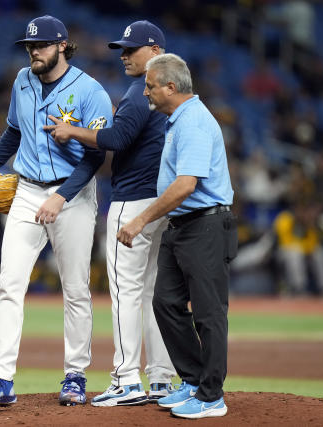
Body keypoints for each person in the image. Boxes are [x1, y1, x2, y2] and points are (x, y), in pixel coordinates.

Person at [0, 15, 112, 407]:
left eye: (43, 45)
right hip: (28, 191)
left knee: (76, 289)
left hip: (75, 194)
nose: (35, 51)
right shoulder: (22, 80)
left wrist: (62, 197)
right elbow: (15, 131)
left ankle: (75, 376)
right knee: (10, 283)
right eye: (30, 46)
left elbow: (96, 155)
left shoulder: (90, 92)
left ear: (63, 46)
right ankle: (0, 379)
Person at [43, 20, 176, 406]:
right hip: (162, 204)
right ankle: (162, 380)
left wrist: (73, 130)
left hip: (133, 201)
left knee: (125, 293)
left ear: (155, 53)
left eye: (131, 49)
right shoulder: (174, 93)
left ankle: (126, 379)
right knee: (153, 294)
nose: (123, 56)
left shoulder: (140, 92)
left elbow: (116, 139)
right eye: (121, 49)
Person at [116, 53, 237, 419]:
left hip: (205, 225)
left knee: (208, 313)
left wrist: (140, 221)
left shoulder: (195, 122)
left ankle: (211, 395)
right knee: (165, 302)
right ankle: (193, 379)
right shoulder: (177, 120)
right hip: (183, 226)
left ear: (172, 87)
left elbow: (186, 184)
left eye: (151, 86)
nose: (146, 92)